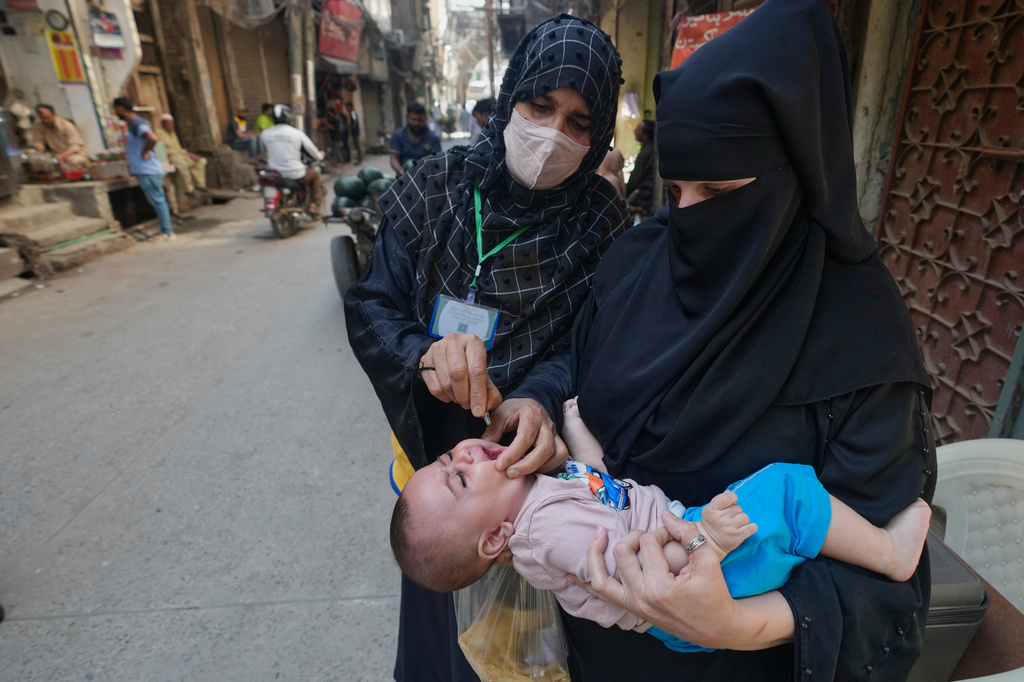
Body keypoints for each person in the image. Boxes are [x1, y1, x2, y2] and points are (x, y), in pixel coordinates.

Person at [481, 0, 937, 679]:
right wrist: (538, 403)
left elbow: (887, 581)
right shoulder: (638, 260)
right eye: (676, 189)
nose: (687, 218)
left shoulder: (860, 336)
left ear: (793, 175)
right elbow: (573, 361)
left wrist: (736, 624)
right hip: (596, 655)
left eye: (717, 189)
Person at [345, 14, 627, 682]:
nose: (553, 134)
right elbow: (372, 303)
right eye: (540, 105)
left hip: (529, 465)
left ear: (600, 135)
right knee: (438, 602)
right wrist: (423, 351)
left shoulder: (603, 224)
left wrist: (538, 395)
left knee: (524, 635)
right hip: (434, 453)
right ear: (508, 99)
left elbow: (592, 341)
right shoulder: (435, 186)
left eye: (580, 123)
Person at [391, 435, 931, 652]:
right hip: (685, 580)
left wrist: (577, 435)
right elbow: (636, 575)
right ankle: (890, 554)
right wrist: (707, 541)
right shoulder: (547, 532)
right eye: (459, 480)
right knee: (785, 490)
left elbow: (602, 489)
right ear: (493, 539)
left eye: (445, 460)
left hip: (685, 555)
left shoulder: (537, 498)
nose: (462, 455)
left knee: (780, 520)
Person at [112, 97, 174, 241]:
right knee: (158, 200)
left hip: (148, 169)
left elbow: (152, 138)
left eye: (115, 109)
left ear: (120, 108)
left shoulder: (136, 122)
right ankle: (166, 230)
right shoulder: (133, 123)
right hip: (145, 170)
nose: (115, 112)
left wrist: (145, 151)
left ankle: (167, 232)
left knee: (158, 201)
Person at [259, 104, 323, 215]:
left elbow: (263, 152)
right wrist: (320, 156)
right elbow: (314, 153)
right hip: (295, 174)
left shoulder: (264, 134)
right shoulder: (297, 133)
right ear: (288, 117)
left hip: (275, 174)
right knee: (315, 175)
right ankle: (314, 204)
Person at [156, 114, 209, 201]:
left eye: (172, 124)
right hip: (170, 158)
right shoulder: (158, 133)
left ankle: (200, 185)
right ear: (163, 124)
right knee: (183, 165)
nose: (171, 126)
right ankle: (188, 190)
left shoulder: (172, 133)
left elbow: (179, 149)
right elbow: (157, 147)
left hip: (180, 155)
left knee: (198, 161)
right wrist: (164, 153)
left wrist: (191, 155)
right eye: (168, 124)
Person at [388, 101, 442, 176]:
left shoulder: (433, 138)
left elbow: (438, 160)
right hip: (403, 179)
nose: (416, 123)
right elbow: (394, 158)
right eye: (413, 119)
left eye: (420, 120)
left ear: (425, 119)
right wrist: (401, 171)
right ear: (407, 118)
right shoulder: (398, 135)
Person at [31, 104, 88, 169]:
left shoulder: (66, 125)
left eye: (47, 118)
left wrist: (61, 156)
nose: (44, 121)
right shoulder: (39, 124)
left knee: (75, 161)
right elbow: (38, 141)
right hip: (55, 155)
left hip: (73, 155)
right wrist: (40, 151)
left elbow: (76, 146)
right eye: (42, 118)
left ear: (54, 114)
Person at [625, 119, 656, 219]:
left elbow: (635, 178)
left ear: (645, 134)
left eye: (638, 129)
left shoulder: (645, 153)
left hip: (645, 199)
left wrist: (624, 192)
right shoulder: (650, 149)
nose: (635, 131)